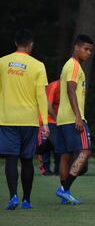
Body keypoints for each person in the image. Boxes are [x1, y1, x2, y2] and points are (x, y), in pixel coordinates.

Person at [0, 29, 49, 210]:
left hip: (7, 119)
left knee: (11, 159)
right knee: (27, 160)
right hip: (29, 121)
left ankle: (12, 196)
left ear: (15, 43)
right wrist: (44, 122)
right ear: (31, 45)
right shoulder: (38, 65)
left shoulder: (2, 63)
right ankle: (26, 200)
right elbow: (41, 96)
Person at [55, 34, 93, 205]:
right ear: (76, 48)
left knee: (65, 156)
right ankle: (64, 189)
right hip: (73, 118)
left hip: (62, 119)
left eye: (90, 50)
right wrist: (78, 116)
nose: (88, 53)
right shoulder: (74, 66)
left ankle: (65, 195)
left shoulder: (68, 65)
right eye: (85, 49)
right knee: (85, 150)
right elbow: (71, 90)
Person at [37, 79, 61, 176]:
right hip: (47, 119)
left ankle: (58, 169)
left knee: (58, 145)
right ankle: (45, 169)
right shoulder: (54, 86)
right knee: (45, 144)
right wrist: (57, 119)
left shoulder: (71, 86)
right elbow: (48, 106)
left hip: (59, 120)